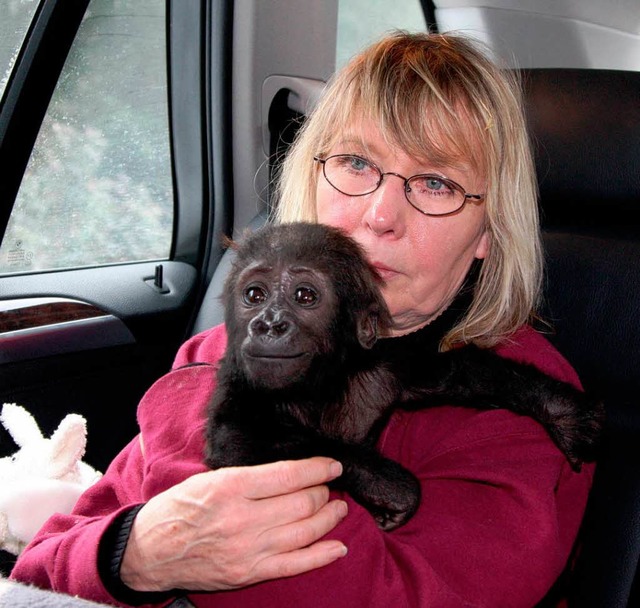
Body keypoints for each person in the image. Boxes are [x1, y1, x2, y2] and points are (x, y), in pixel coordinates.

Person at [11, 31, 594, 607]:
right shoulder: (228, 345)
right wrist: (130, 554)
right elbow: (41, 569)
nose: (379, 214)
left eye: (435, 183)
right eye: (356, 162)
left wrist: (214, 419)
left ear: (487, 233)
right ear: (312, 181)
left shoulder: (520, 402)